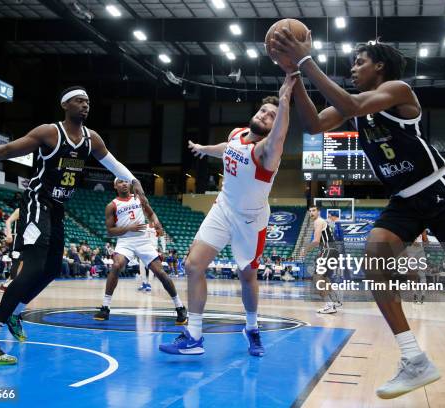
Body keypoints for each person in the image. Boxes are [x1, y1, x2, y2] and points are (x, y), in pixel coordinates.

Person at [270, 37, 445, 395]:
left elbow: (352, 104)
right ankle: (413, 358)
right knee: (374, 255)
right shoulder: (353, 105)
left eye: (360, 62)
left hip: (437, 192)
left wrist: (306, 59)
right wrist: (294, 75)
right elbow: (313, 125)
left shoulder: (398, 90)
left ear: (380, 67)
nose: (353, 68)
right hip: (403, 200)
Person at [0, 85, 154, 365]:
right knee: (30, 270)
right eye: (79, 101)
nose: (85, 105)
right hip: (36, 204)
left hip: (57, 209)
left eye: (88, 101)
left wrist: (137, 184)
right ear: (65, 105)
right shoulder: (49, 132)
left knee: (52, 268)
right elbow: (11, 148)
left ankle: (16, 312)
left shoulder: (92, 139)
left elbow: (115, 166)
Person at [159, 74, 297, 357]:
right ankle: (194, 336)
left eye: (272, 116)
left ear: (275, 126)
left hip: (250, 220)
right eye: (263, 111)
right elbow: (227, 150)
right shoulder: (237, 133)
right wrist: (203, 149)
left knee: (247, 277)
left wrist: (285, 100)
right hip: (223, 208)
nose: (265, 116)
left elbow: (280, 133)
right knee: (193, 266)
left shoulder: (268, 152)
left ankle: (252, 327)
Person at [93, 178, 186, 323]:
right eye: (120, 182)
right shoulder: (111, 206)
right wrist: (129, 228)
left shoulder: (139, 198)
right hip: (125, 241)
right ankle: (105, 307)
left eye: (125, 181)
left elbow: (151, 214)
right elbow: (110, 231)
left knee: (160, 273)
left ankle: (180, 307)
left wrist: (157, 223)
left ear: (129, 184)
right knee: (116, 265)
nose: (124, 184)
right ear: (115, 186)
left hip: (143, 240)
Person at [304, 205, 343, 314]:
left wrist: (305, 250)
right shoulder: (321, 222)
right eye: (310, 211)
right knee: (324, 277)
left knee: (318, 277)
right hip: (333, 250)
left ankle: (329, 305)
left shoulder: (318, 221)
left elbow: (316, 241)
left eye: (314, 210)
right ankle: (335, 301)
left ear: (319, 212)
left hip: (328, 250)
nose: (311, 212)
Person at [0, 208, 22, 292]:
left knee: (24, 262)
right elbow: (8, 221)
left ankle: (7, 284)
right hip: (17, 239)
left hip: (26, 240)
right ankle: (8, 284)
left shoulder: (34, 212)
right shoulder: (20, 210)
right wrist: (9, 234)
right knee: (17, 261)